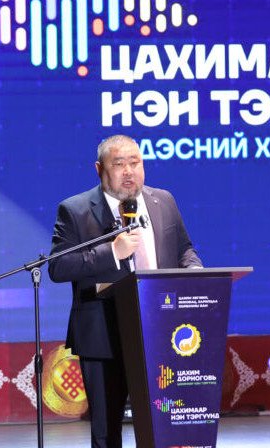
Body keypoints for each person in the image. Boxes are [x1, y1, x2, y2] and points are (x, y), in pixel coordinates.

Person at [48, 134, 202, 448]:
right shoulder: (76, 210)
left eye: (135, 162)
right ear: (99, 169)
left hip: (162, 332)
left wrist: (195, 271)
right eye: (119, 164)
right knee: (106, 432)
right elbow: (58, 267)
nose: (129, 171)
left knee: (165, 422)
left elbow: (183, 249)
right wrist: (112, 252)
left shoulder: (163, 201)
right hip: (103, 336)